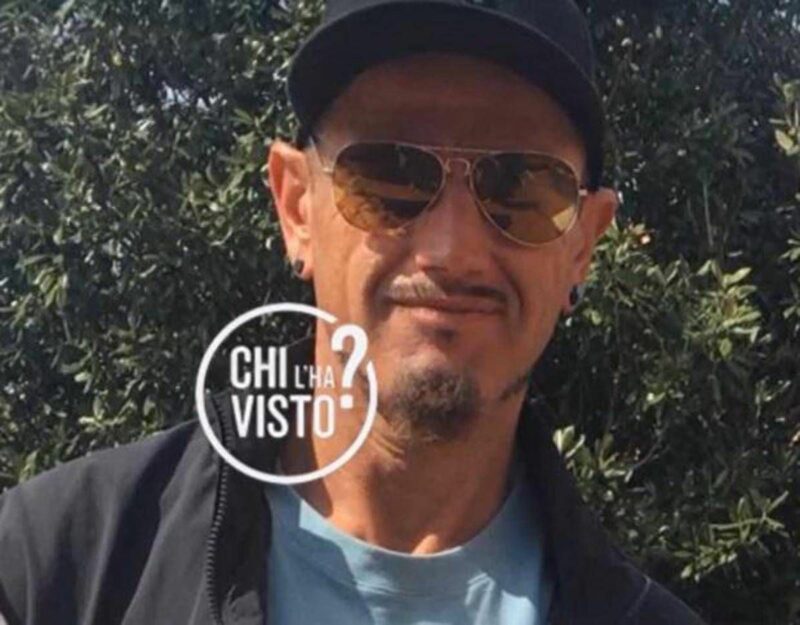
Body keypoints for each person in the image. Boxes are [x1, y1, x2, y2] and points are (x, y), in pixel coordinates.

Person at [0, 0, 707, 623]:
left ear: (583, 245)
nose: (451, 250)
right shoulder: (53, 570)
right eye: (390, 174)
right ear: (296, 208)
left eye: (522, 188)